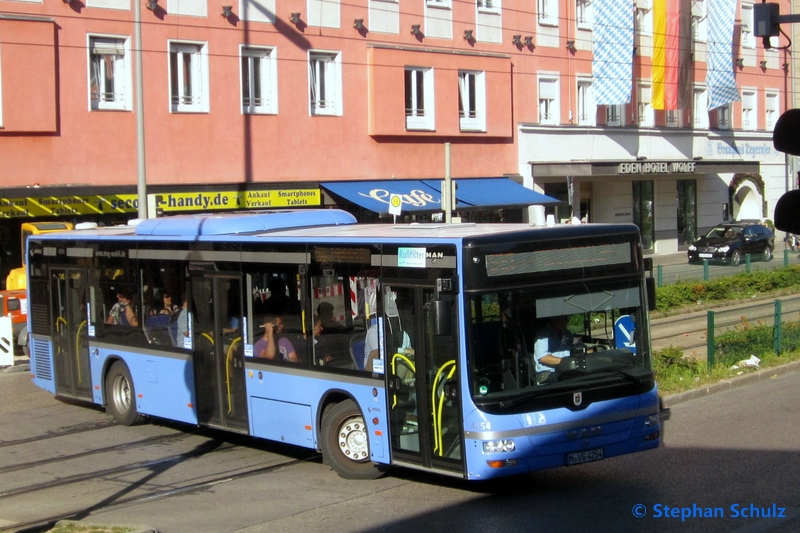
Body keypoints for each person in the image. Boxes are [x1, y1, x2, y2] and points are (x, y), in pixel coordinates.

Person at [533, 315, 581, 383]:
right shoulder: (542, 335)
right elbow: (544, 358)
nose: (567, 321)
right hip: (547, 373)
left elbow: (578, 346)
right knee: (565, 380)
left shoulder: (567, 333)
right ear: (555, 319)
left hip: (566, 369)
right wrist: (567, 362)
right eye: (564, 318)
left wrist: (588, 352)